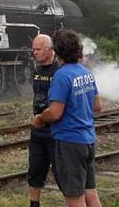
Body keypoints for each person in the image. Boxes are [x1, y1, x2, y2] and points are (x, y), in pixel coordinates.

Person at [32, 29, 102, 207]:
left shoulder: (61, 76)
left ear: (57, 51)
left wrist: (40, 118)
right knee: (91, 196)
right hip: (88, 140)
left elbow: (55, 112)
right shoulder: (86, 73)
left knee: (75, 200)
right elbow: (97, 107)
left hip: (69, 142)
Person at [27, 34, 59, 207]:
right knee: (35, 169)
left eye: (38, 49)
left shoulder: (59, 71)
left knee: (61, 172)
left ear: (49, 50)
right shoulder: (37, 71)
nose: (34, 53)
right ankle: (34, 204)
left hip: (55, 130)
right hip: (38, 129)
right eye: (33, 49)